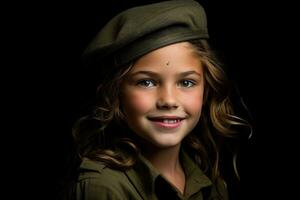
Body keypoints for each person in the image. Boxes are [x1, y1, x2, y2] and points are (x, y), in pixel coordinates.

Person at [65, 0, 252, 199]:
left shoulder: (208, 180)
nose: (169, 101)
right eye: (147, 82)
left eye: (186, 83)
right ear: (115, 93)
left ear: (206, 91)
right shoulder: (104, 187)